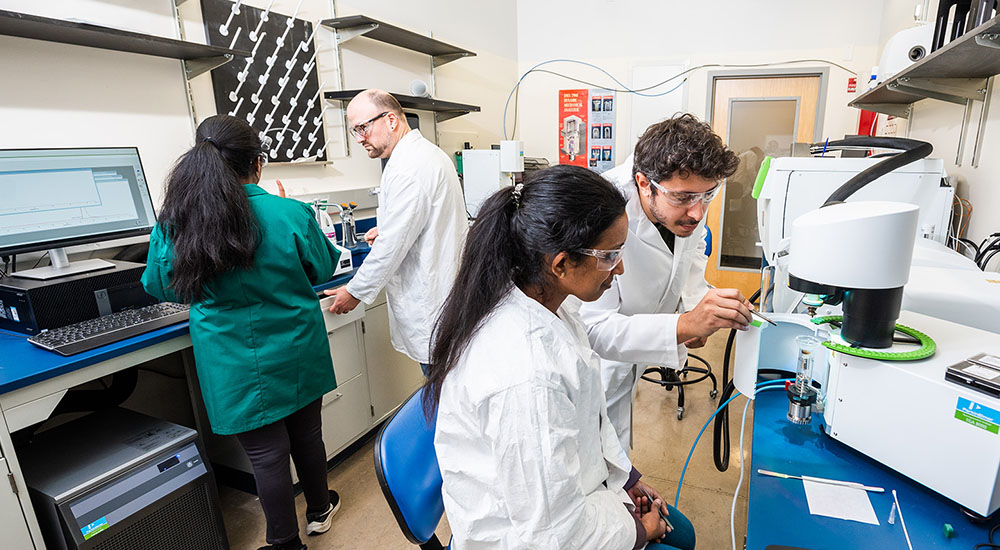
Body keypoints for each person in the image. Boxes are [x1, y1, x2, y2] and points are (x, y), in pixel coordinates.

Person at [426, 165, 696, 550]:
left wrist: (627, 477)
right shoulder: (525, 374)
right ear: (561, 263)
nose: (619, 268)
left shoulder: (548, 303)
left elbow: (589, 415)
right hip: (528, 535)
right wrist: (639, 532)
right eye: (609, 256)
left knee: (683, 534)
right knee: (675, 542)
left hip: (572, 494)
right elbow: (553, 534)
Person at [142, 115, 340, 550]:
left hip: (230, 357)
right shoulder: (287, 212)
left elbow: (159, 286)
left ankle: (284, 542)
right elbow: (323, 268)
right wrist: (289, 211)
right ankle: (321, 509)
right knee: (307, 434)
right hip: (296, 346)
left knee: (266, 455)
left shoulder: (175, 223)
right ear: (258, 164)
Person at [579, 114, 750, 452]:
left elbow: (691, 254)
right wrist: (682, 325)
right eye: (684, 198)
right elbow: (593, 328)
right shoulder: (601, 211)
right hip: (593, 369)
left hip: (632, 360)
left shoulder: (689, 202)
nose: (698, 213)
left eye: (708, 195)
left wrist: (696, 308)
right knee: (591, 460)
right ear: (644, 183)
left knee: (617, 463)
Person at [324, 89, 467, 373]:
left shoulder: (408, 167)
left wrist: (354, 291)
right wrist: (389, 227)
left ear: (390, 120)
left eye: (363, 127)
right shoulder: (425, 154)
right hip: (446, 298)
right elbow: (417, 220)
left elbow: (391, 246)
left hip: (433, 304)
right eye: (355, 131)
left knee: (443, 397)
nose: (360, 138)